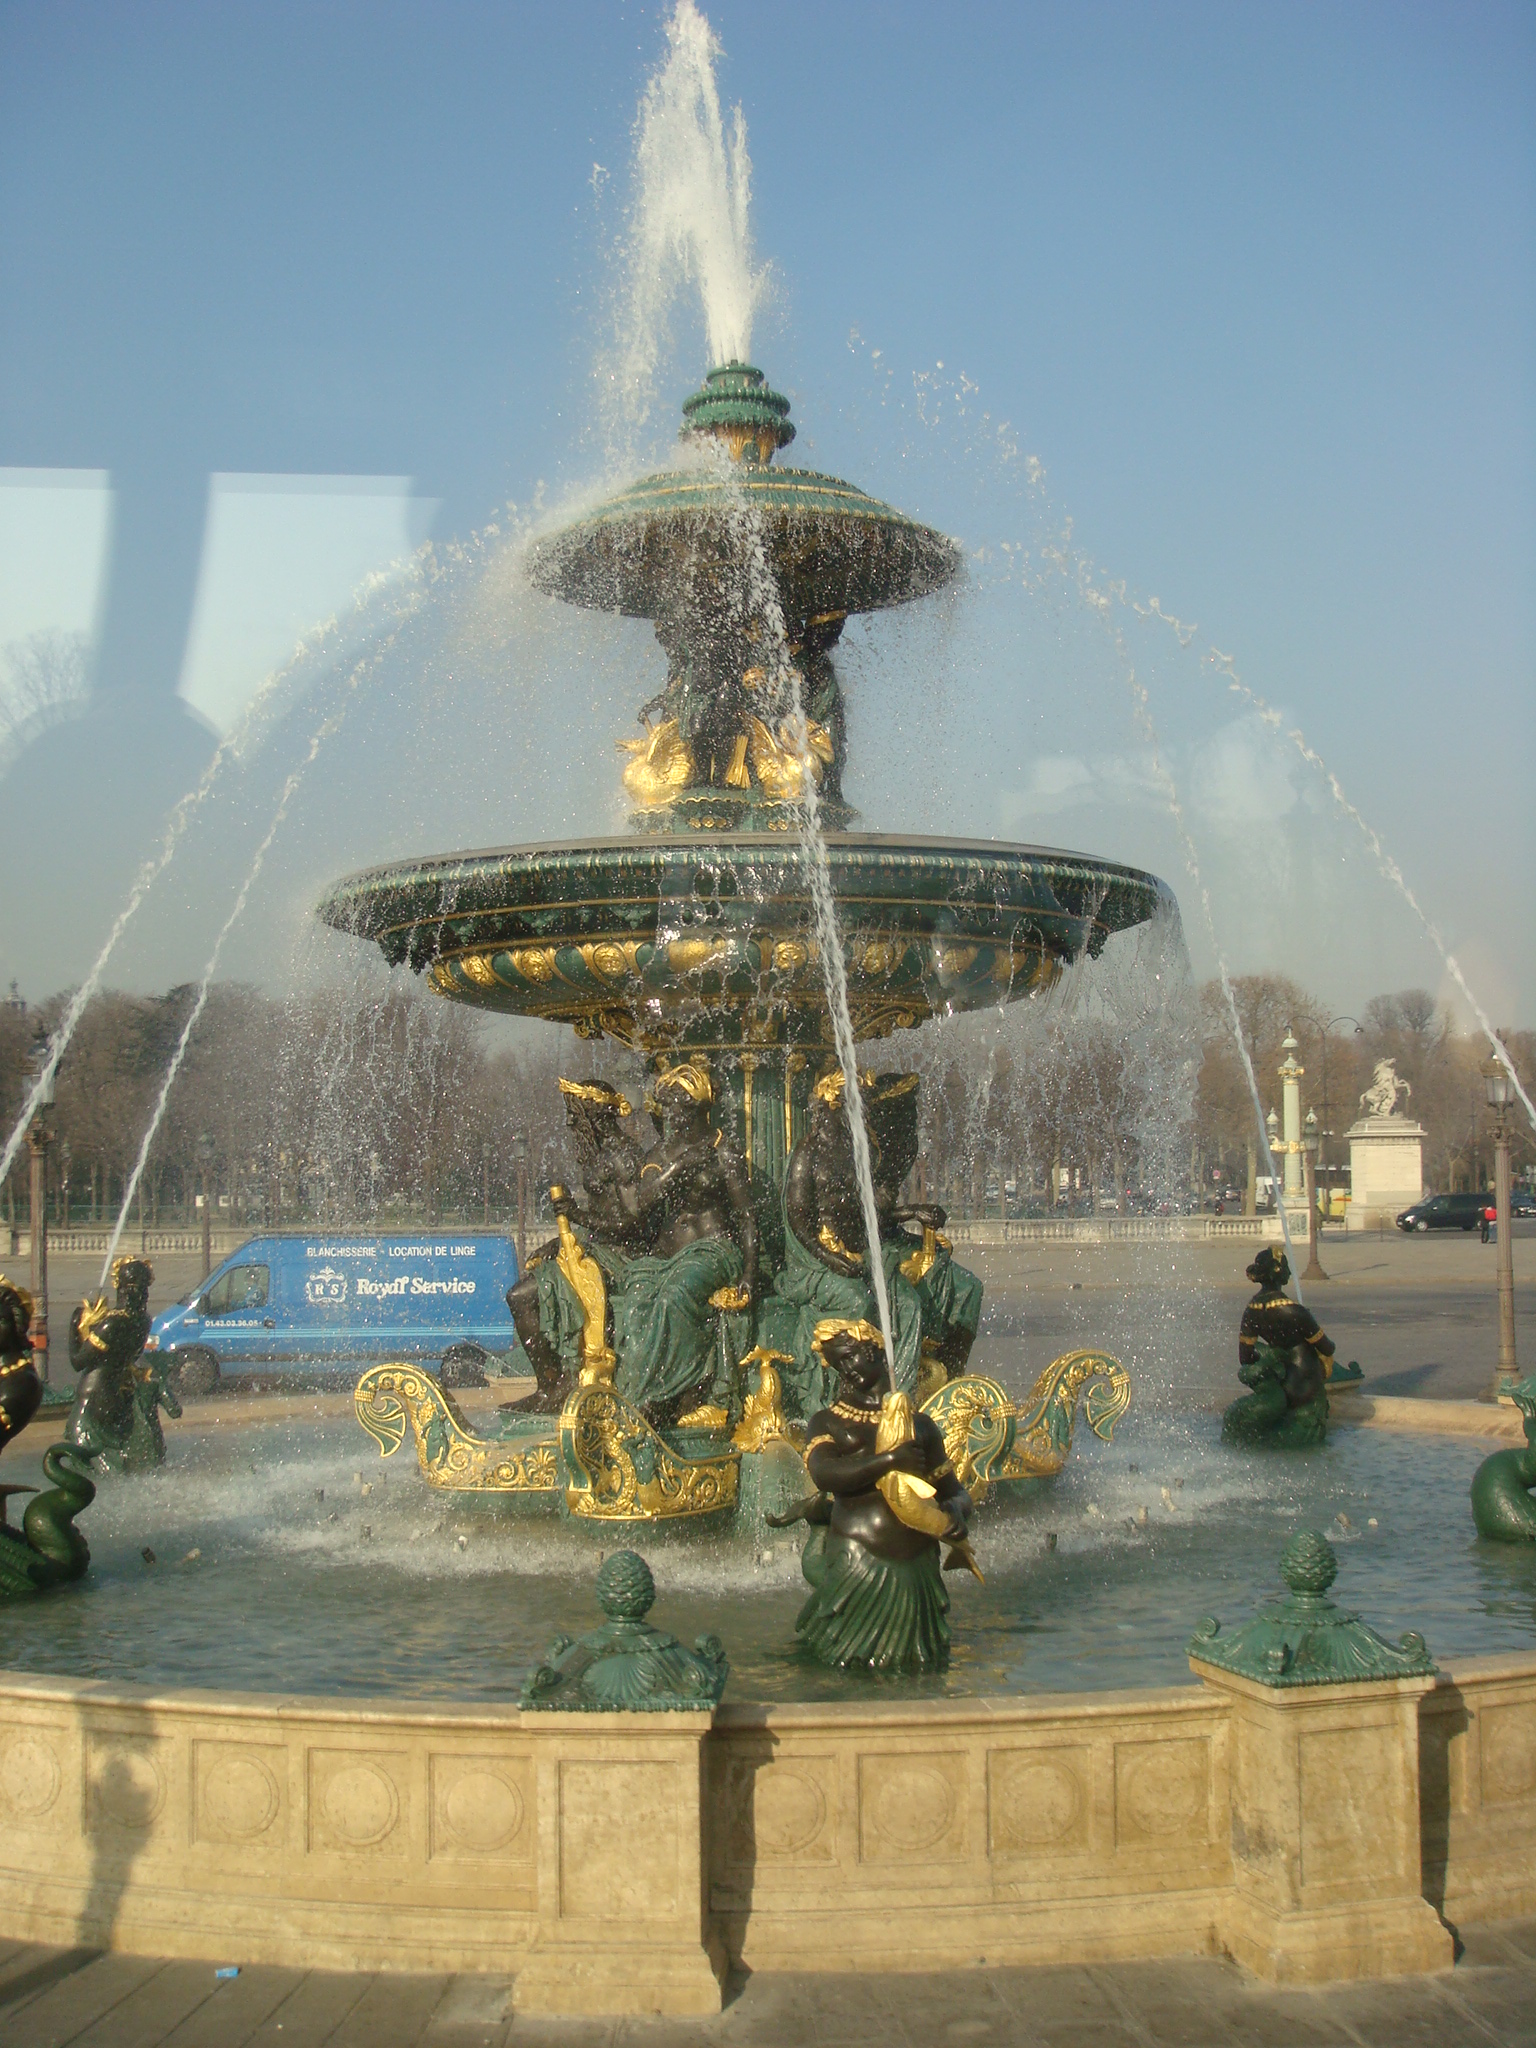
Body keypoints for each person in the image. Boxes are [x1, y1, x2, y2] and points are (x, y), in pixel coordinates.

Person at [787, 1319, 974, 1673]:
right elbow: (824, 1474)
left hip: (917, 1569)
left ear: (873, 1352)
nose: (845, 1371)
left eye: (849, 1359)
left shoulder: (920, 1426)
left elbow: (956, 1491)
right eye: (837, 1364)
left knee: (919, 1668)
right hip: (858, 1563)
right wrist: (890, 1460)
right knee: (845, 1667)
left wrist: (956, 1511)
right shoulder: (828, 1422)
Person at [605, 1061, 757, 1423]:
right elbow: (641, 1205)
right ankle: (635, 1393)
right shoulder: (661, 1154)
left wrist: (750, 1272)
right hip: (664, 1256)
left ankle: (668, 1395)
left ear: (699, 1109)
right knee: (636, 1301)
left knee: (674, 1297)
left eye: (677, 1107)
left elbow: (748, 1217)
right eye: (667, 1106)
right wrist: (680, 1167)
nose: (669, 1115)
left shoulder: (725, 1151)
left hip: (713, 1251)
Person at [774, 1068, 924, 1409]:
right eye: (856, 1105)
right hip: (816, 1260)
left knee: (909, 1305)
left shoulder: (860, 1150)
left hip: (860, 1252)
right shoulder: (807, 1153)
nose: (862, 1113)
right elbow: (796, 1218)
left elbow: (872, 1210)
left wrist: (913, 1211)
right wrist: (827, 1258)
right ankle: (837, 1401)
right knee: (856, 1303)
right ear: (833, 1105)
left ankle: (900, 1399)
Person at [1239, 1246, 1337, 1396]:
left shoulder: (1251, 1311)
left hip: (1278, 1383)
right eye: (1286, 1267)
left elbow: (1245, 1357)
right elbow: (1327, 1348)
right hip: (1303, 1383)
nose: (1290, 1272)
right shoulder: (1295, 1311)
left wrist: (1272, 1358)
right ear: (1277, 1270)